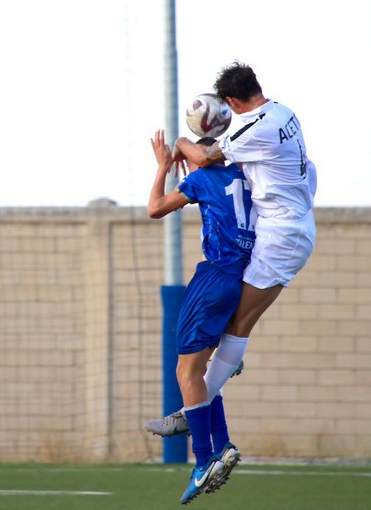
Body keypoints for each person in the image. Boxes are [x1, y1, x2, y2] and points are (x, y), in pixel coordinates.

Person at [146, 61, 317, 437]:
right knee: (231, 326)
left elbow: (203, 160)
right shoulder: (282, 112)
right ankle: (208, 387)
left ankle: (195, 410)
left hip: (282, 235)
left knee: (238, 326)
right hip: (286, 227)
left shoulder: (251, 135)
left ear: (231, 101)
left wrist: (178, 145)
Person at [148, 129, 256, 504]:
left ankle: (203, 460)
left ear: (201, 156)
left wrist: (164, 165)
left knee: (185, 372)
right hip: (242, 280)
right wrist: (185, 149)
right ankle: (222, 442)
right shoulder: (242, 176)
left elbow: (155, 208)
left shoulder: (202, 178)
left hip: (212, 279)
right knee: (206, 371)